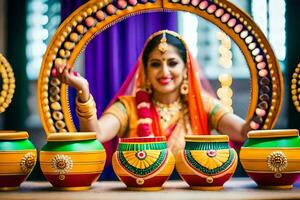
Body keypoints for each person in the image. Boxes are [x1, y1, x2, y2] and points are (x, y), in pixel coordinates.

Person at [55, 30, 250, 155]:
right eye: (156, 64)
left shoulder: (202, 104)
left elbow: (242, 132)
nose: (164, 72)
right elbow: (95, 135)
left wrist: (262, 108)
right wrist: (83, 90)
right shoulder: (128, 107)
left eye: (172, 63)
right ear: (145, 71)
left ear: (185, 70)